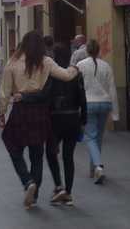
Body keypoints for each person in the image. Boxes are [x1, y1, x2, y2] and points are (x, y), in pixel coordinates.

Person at [0, 31, 79, 209]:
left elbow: (4, 91)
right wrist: (76, 68)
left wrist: (1, 111)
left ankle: (27, 181)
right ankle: (33, 196)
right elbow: (66, 75)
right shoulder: (46, 61)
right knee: (37, 153)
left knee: (12, 144)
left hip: (20, 110)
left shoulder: (13, 61)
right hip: (40, 112)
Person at [44, 42, 87, 206]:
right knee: (69, 157)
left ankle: (58, 185)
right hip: (73, 118)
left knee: (50, 153)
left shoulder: (50, 74)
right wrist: (83, 120)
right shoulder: (76, 74)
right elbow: (83, 99)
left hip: (55, 120)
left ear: (54, 57)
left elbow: (46, 97)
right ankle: (68, 192)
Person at [76, 39, 119, 184]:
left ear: (87, 50)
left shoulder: (80, 66)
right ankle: (93, 169)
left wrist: (76, 107)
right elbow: (112, 88)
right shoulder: (106, 66)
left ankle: (98, 167)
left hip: (89, 103)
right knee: (98, 137)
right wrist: (115, 112)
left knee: (90, 137)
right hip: (105, 103)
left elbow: (77, 88)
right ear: (98, 50)